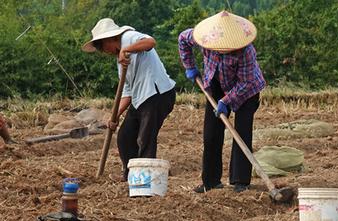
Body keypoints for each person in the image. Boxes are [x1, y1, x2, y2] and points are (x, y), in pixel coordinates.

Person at [178, 11, 266, 193]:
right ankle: (210, 181)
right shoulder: (205, 38)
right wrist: (190, 66)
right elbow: (182, 39)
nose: (222, 51)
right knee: (211, 134)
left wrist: (227, 101)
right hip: (216, 84)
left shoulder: (246, 51)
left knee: (241, 132)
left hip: (246, 90)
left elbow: (246, 83)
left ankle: (240, 181)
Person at [82, 18, 176, 181]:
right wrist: (115, 115)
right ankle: (131, 174)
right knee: (125, 136)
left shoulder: (129, 37)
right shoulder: (121, 61)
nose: (105, 52)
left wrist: (127, 49)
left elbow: (150, 42)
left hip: (157, 94)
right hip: (140, 98)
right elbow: (127, 91)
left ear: (110, 39)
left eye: (103, 47)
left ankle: (145, 179)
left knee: (145, 138)